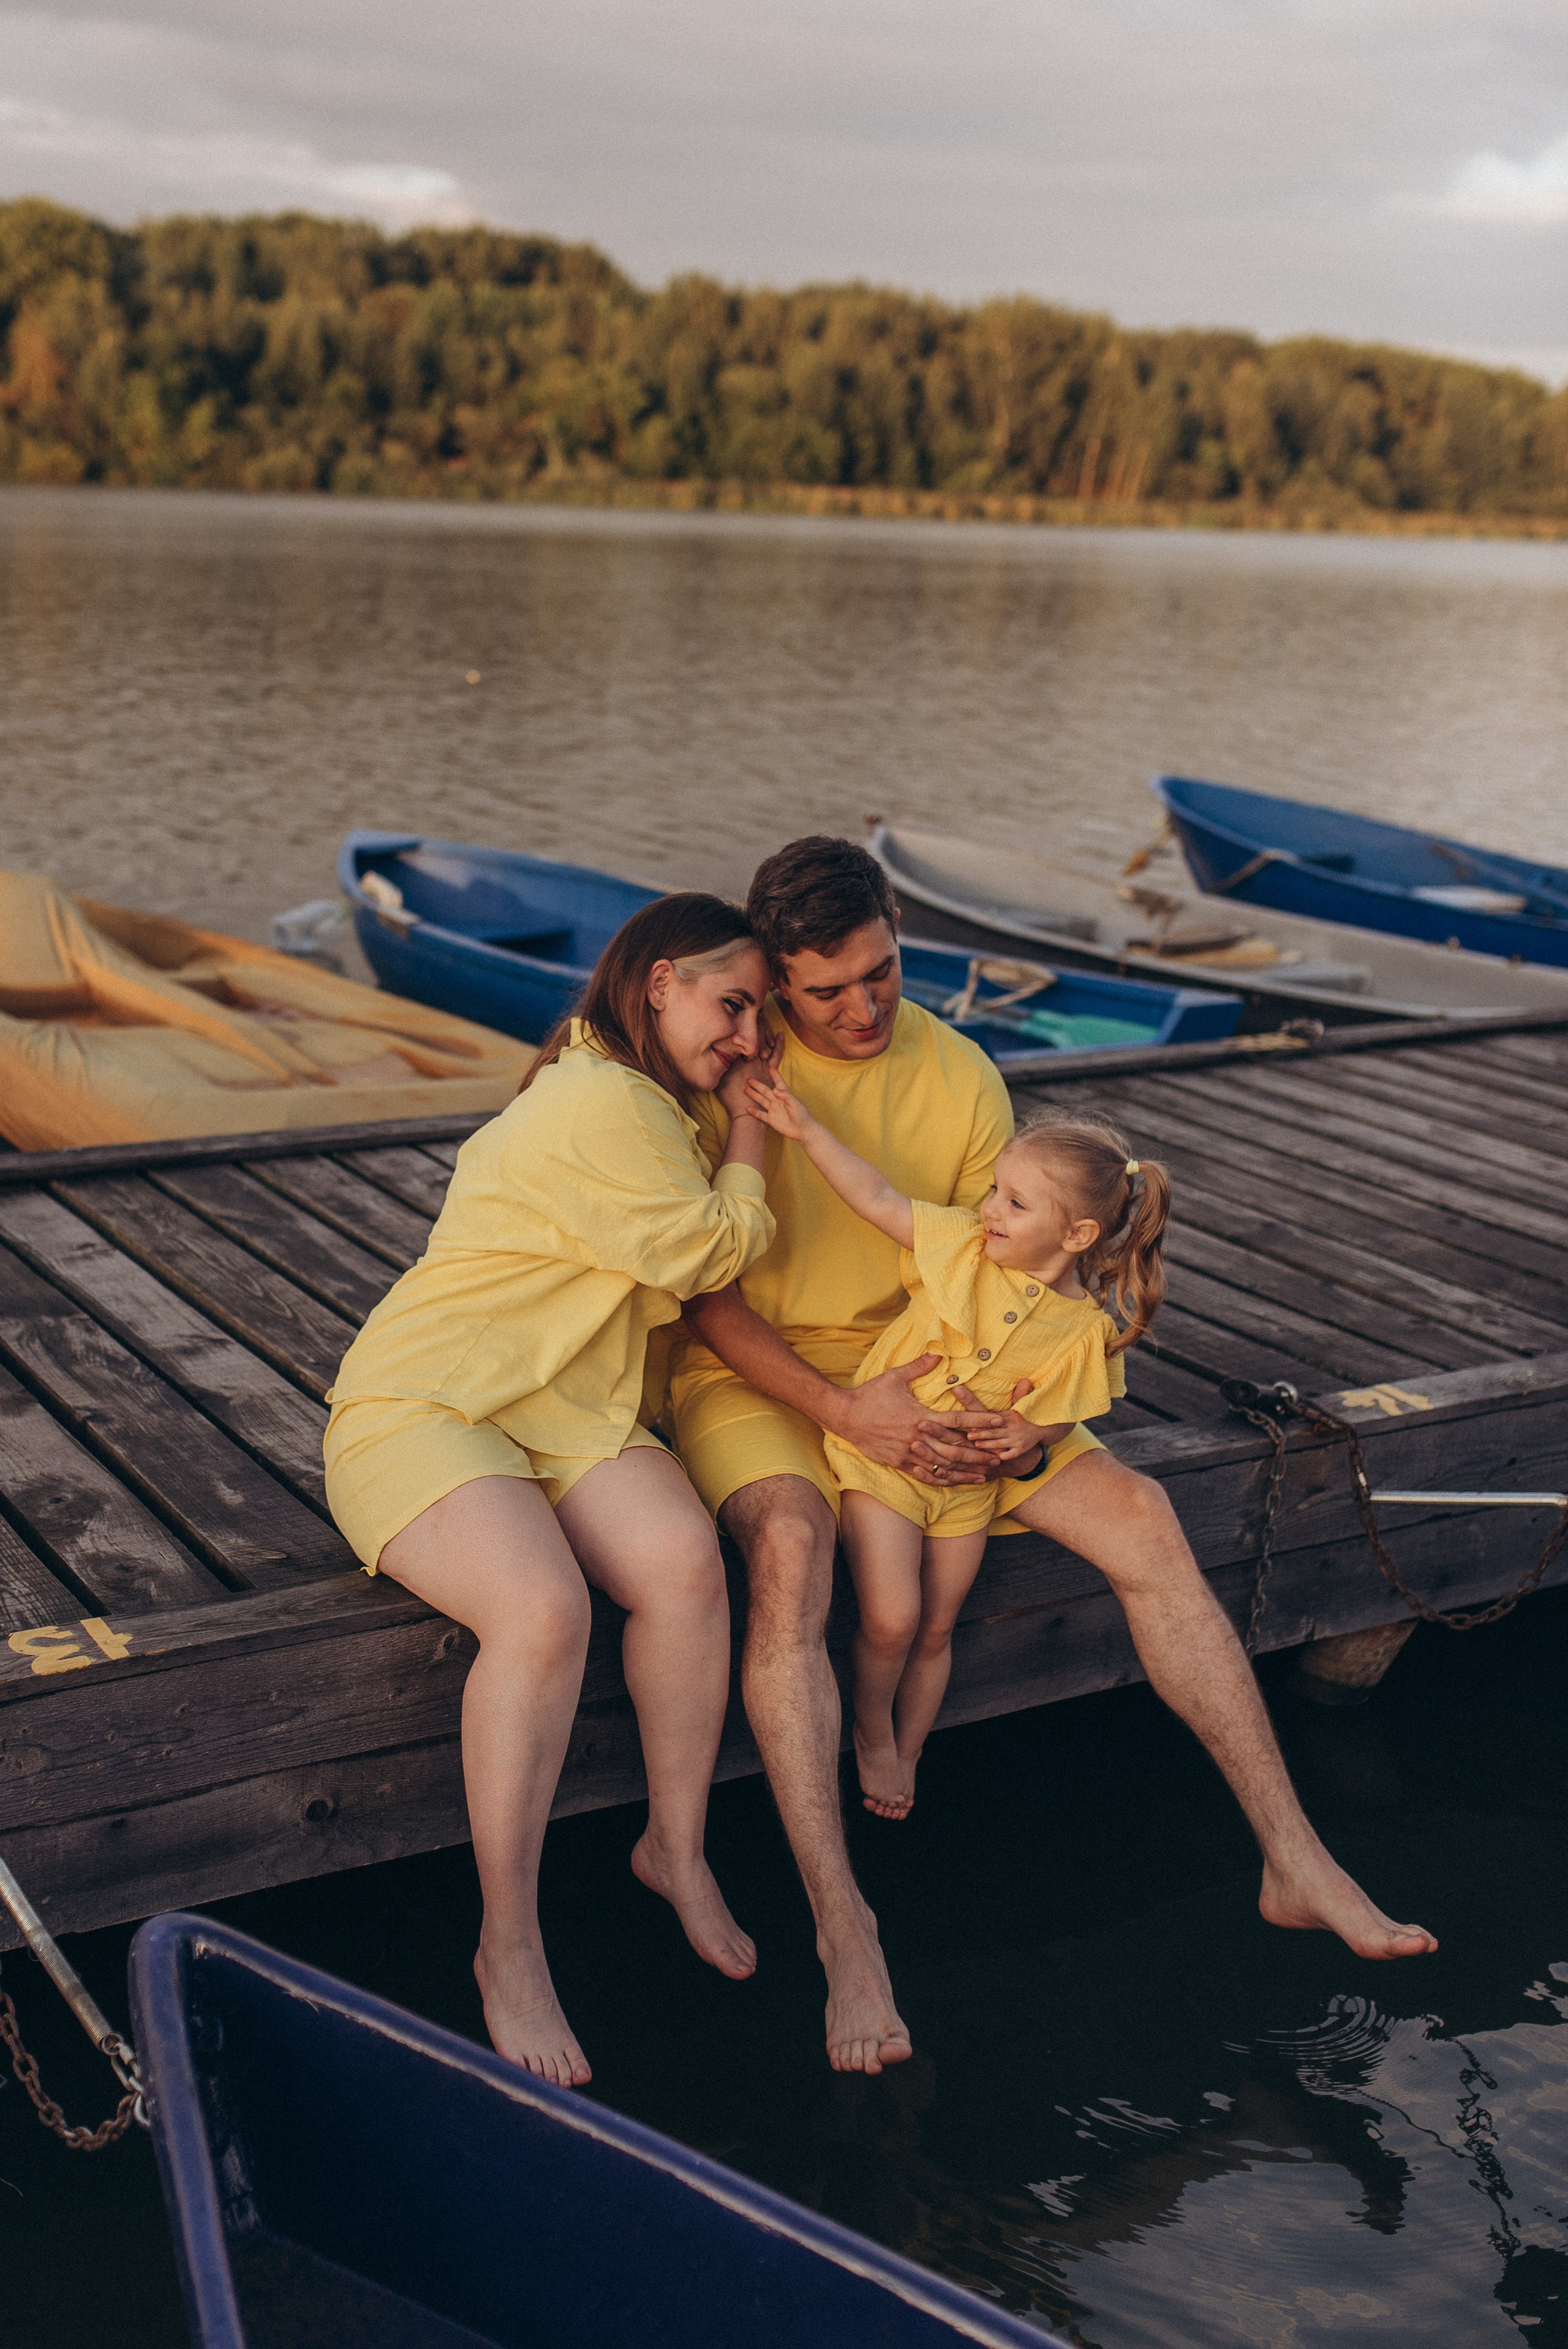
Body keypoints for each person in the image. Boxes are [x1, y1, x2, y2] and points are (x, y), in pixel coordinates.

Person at [674, 836, 1436, 2079]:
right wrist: (847, 1409)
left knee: (1138, 1512)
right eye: (830, 991)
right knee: (793, 1547)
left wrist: (1016, 1421)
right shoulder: (737, 1076)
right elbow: (704, 1303)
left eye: (883, 972)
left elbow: (1019, 1269)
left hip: (956, 1373)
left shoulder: (963, 1071)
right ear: (775, 979)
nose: (865, 1007)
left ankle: (1292, 1858)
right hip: (768, 1373)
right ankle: (845, 1929)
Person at [323, 894, 779, 2087]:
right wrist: (755, 1138)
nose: (745, 1037)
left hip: (565, 1405)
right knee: (543, 1610)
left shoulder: (636, 1095)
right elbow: (700, 1254)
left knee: (684, 1565)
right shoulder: (602, 1100)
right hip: (434, 1404)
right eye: (732, 1006)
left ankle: (673, 1848)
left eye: (759, 1019)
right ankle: (508, 1943)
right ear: (660, 981)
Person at [742, 1086, 1165, 1823]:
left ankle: (911, 1744)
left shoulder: (1083, 1330)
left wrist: (1034, 1437)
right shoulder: (963, 1250)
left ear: (1078, 1235)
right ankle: (873, 1733)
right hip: (884, 1467)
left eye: (1014, 1202)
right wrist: (805, 1128)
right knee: (894, 1618)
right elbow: (876, 1198)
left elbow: (1068, 1415)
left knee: (938, 1626)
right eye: (996, 1190)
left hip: (967, 1490)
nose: (990, 1209)